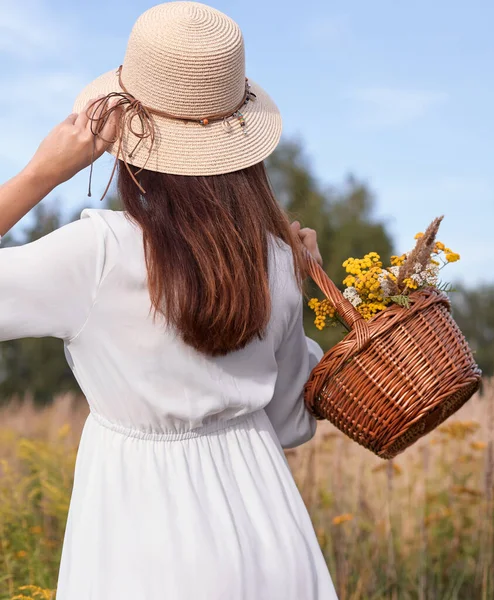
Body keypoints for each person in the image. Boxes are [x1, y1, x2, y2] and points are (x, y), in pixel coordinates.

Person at [0, 2, 338, 598]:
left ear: (126, 136)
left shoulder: (96, 253)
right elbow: (289, 422)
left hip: (140, 538)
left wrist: (40, 175)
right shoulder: (280, 260)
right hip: (270, 529)